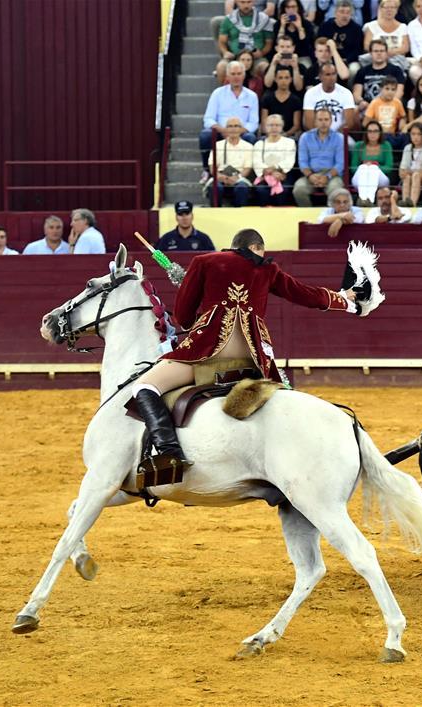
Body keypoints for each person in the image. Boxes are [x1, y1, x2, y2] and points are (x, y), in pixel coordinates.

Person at [130, 228, 357, 471]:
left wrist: (199, 314)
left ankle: (169, 453)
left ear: (234, 245)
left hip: (208, 353)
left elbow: (183, 317)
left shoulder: (204, 261)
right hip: (253, 359)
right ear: (255, 247)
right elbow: (306, 295)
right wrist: (344, 299)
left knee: (145, 386)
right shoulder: (268, 269)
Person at [200, 61, 260, 177]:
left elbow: (253, 123)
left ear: (244, 75)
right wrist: (223, 130)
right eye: (233, 74)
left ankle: (245, 174)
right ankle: (207, 170)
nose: (236, 77)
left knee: (250, 137)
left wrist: (236, 131)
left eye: (239, 74)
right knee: (205, 135)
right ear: (227, 76)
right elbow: (208, 119)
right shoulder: (217, 93)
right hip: (221, 131)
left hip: (241, 133)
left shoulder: (252, 96)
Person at [294, 108, 346, 206]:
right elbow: (302, 162)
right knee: (299, 189)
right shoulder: (305, 137)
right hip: (311, 174)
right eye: (320, 120)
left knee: (335, 191)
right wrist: (310, 176)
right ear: (315, 122)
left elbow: (340, 163)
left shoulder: (339, 138)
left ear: (331, 121)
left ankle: (330, 214)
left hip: (332, 175)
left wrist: (327, 176)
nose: (323, 123)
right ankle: (308, 213)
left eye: (326, 119)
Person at [216, 0, 275, 83]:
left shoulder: (263, 19)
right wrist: (225, 52)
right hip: (234, 57)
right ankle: (224, 91)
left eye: (249, 2)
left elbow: (269, 43)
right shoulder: (229, 19)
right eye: (242, 2)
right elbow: (222, 42)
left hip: (256, 58)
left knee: (264, 67)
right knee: (221, 67)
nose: (246, 5)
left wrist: (262, 53)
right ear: (237, 2)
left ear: (253, 2)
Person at [205, 117, 255, 207]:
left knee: (242, 187)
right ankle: (215, 211)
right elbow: (212, 166)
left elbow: (247, 168)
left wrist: (237, 178)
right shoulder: (218, 145)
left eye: (236, 126)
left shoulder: (248, 147)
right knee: (215, 187)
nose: (233, 129)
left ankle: (240, 212)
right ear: (226, 129)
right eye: (230, 126)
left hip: (239, 177)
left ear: (241, 129)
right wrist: (219, 176)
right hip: (220, 176)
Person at [352, 39, 407, 114]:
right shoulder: (362, 71)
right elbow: (356, 94)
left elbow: (399, 92)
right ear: (370, 53)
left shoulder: (396, 70)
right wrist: (361, 102)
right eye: (376, 51)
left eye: (382, 51)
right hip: (367, 107)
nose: (379, 53)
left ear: (386, 53)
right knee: (355, 110)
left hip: (389, 105)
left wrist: (386, 104)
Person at [253, 114, 297, 205]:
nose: (274, 128)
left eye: (277, 125)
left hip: (283, 175)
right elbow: (257, 162)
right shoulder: (259, 144)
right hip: (265, 175)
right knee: (261, 190)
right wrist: (270, 172)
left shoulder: (289, 142)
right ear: (266, 127)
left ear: (282, 127)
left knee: (284, 190)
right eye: (271, 125)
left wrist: (275, 169)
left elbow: (289, 161)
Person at [316, 1, 364, 77]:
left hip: (348, 60)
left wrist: (346, 60)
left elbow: (358, 50)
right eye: (342, 12)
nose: (345, 15)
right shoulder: (325, 26)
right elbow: (319, 44)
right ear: (335, 13)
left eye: (348, 13)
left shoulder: (357, 29)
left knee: (354, 68)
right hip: (328, 59)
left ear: (351, 15)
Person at [303, 62, 356, 131]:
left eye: (334, 74)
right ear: (320, 77)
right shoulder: (310, 93)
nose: (331, 78)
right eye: (327, 74)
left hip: (339, 134)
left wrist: (334, 135)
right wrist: (321, 135)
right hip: (316, 134)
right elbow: (309, 123)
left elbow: (349, 123)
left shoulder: (346, 93)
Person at [351, 121, 394, 204]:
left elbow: (389, 167)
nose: (372, 134)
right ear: (366, 133)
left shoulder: (386, 145)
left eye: (375, 131)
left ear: (380, 133)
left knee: (373, 168)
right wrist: (365, 165)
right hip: (361, 177)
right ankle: (364, 200)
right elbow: (353, 168)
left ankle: (368, 201)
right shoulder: (359, 145)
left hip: (380, 178)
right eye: (370, 131)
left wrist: (375, 165)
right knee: (363, 167)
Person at [362, 0, 411, 72]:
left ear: (396, 10)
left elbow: (405, 48)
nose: (389, 10)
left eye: (392, 7)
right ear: (381, 9)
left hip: (397, 60)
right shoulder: (371, 26)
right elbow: (367, 46)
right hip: (375, 60)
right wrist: (382, 53)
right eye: (386, 7)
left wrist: (390, 52)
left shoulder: (403, 27)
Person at [399, 122, 422, 205]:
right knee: (407, 177)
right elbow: (402, 170)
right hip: (410, 176)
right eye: (413, 134)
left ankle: (413, 204)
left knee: (416, 175)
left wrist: (409, 172)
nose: (415, 137)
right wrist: (405, 172)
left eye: (419, 134)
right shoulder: (407, 148)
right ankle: (405, 202)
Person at [261, 66, 303, 138]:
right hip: (270, 135)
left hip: (289, 135)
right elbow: (264, 123)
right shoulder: (267, 98)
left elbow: (296, 125)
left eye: (286, 78)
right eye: (280, 78)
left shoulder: (295, 100)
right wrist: (272, 135)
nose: (283, 81)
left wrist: (285, 135)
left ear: (291, 79)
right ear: (275, 79)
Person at [363, 75, 406, 147]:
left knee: (405, 137)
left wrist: (402, 122)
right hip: (378, 135)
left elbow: (403, 117)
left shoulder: (397, 102)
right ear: (381, 89)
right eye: (387, 89)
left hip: (392, 135)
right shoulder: (374, 103)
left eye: (393, 89)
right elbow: (365, 123)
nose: (390, 92)